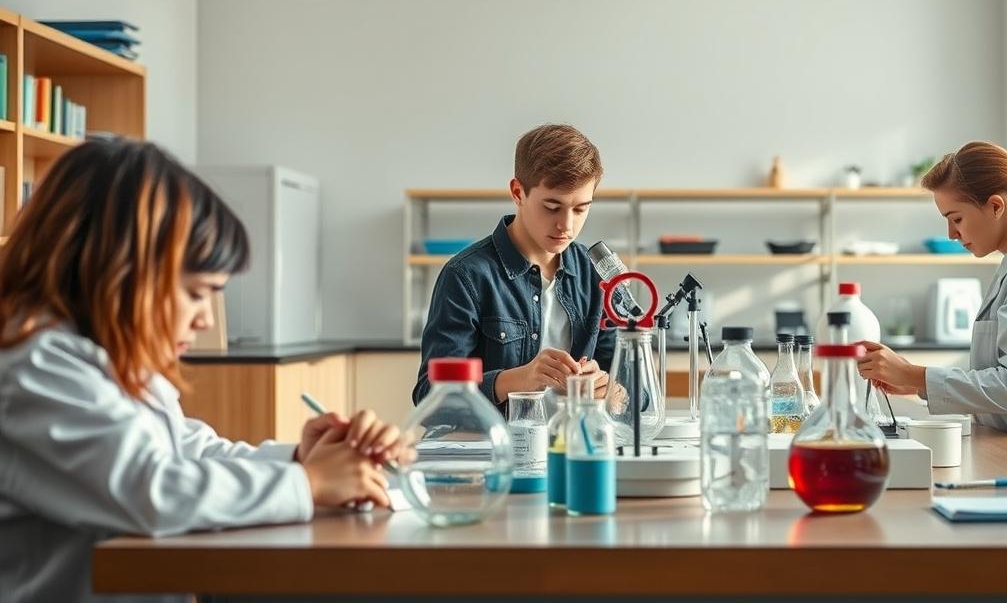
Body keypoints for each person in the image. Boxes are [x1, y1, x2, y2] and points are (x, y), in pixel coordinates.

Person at [0, 138, 413, 603]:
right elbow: (151, 489)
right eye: (197, 293)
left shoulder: (112, 364)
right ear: (121, 272)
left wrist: (300, 458)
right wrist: (310, 483)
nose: (207, 320)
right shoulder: (32, 370)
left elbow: (190, 453)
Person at [857, 141, 1007, 456]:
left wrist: (916, 375)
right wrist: (916, 382)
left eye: (956, 218)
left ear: (996, 206)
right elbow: (1000, 376)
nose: (951, 233)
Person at [413, 124, 615, 410]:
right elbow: (429, 396)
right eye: (552, 207)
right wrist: (517, 380)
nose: (566, 226)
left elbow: (639, 395)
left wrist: (609, 389)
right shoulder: (466, 276)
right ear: (518, 192)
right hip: (495, 450)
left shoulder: (596, 276)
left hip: (575, 444)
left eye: (581, 208)